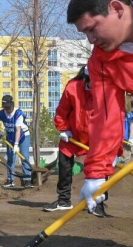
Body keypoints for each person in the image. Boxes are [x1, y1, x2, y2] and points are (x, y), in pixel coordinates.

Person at [67, 0, 133, 215]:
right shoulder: (102, 60)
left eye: (92, 29)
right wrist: (96, 173)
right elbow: (106, 116)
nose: (90, 39)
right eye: (85, 33)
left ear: (117, 9)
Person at [42, 67, 100, 213]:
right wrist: (63, 129)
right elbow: (62, 111)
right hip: (72, 135)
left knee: (99, 169)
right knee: (64, 165)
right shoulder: (73, 88)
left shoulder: (106, 89)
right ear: (85, 79)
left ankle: (98, 202)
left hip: (96, 135)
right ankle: (63, 200)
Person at [0, 95, 32, 188]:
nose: (7, 109)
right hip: (10, 137)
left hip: (23, 136)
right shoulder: (1, 113)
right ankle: (10, 180)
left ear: (12, 105)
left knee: (24, 157)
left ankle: (27, 180)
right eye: (5, 107)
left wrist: (16, 144)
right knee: (11, 159)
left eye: (8, 107)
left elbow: (18, 130)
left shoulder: (18, 113)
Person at [120, 93, 133, 163]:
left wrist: (131, 138)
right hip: (115, 137)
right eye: (132, 96)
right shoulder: (119, 104)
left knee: (126, 158)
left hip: (126, 138)